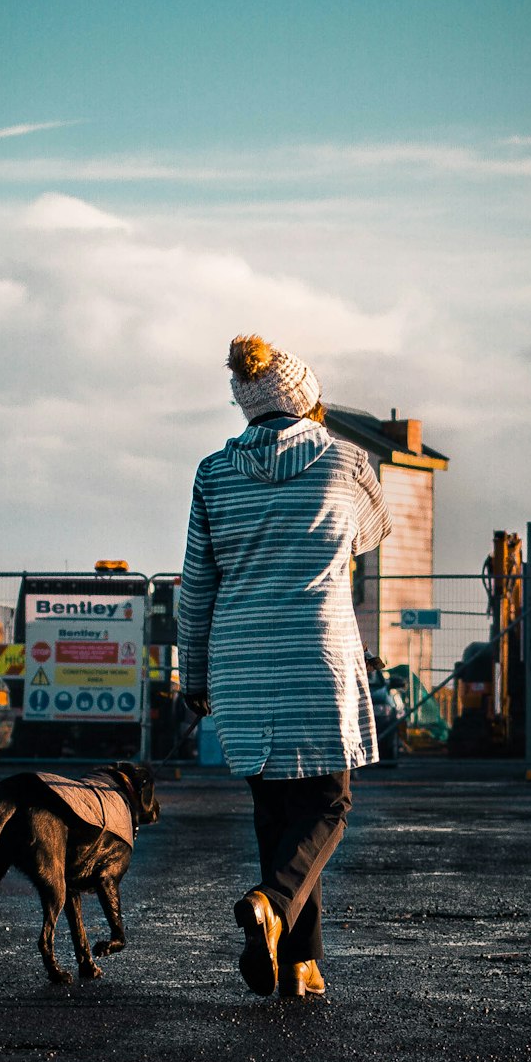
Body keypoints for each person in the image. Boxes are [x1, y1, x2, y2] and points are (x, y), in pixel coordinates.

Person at [178, 334, 392, 999]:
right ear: (307, 400)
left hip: (242, 663)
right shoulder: (347, 460)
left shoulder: (213, 473)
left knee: (276, 813)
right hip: (315, 658)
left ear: (246, 406)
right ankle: (271, 904)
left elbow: (195, 585)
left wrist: (195, 675)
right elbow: (373, 530)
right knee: (329, 804)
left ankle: (298, 963)